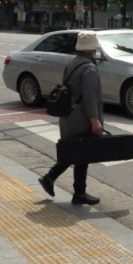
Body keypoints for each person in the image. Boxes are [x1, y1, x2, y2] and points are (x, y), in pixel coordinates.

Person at [39, 31, 104, 205]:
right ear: (92, 50)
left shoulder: (73, 63)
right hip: (81, 118)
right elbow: (90, 97)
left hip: (68, 115)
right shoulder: (89, 68)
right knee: (81, 153)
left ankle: (68, 187)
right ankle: (62, 184)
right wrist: (94, 120)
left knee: (76, 152)